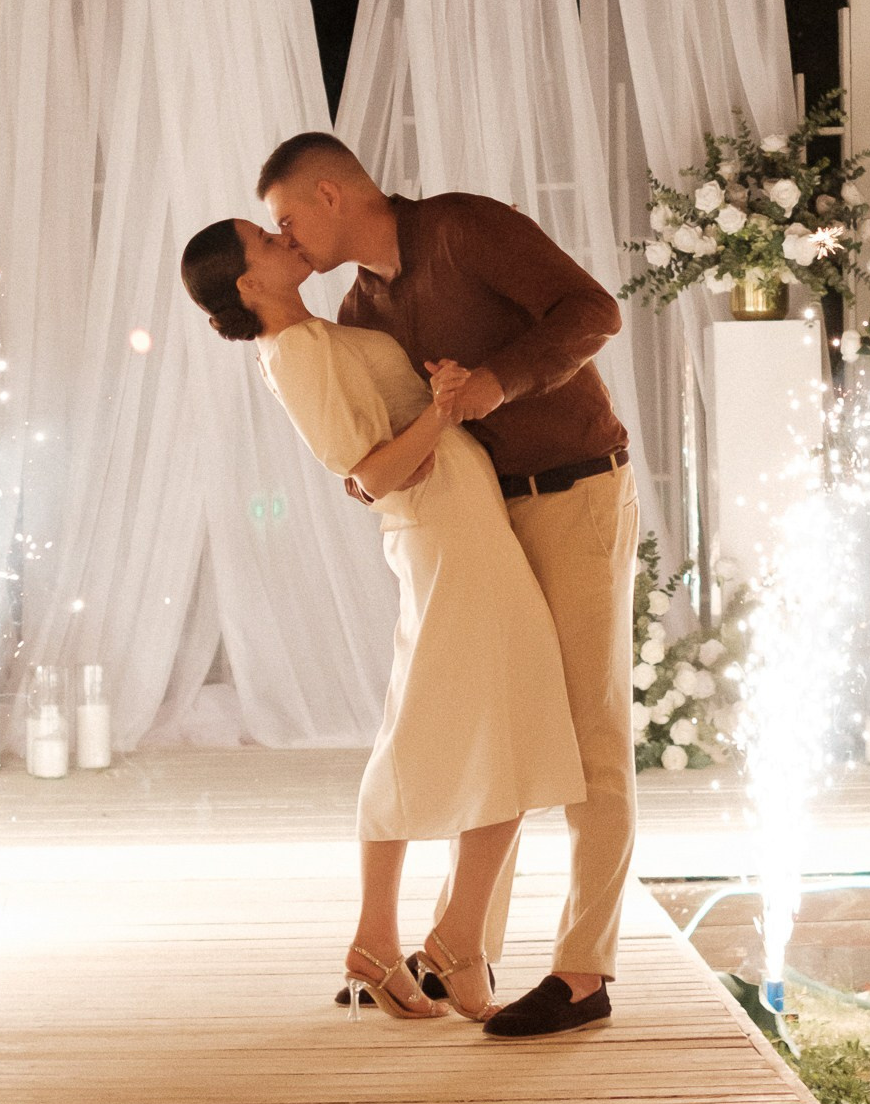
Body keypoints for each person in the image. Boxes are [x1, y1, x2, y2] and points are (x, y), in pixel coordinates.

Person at [257, 133, 638, 1039]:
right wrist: (366, 471)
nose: (286, 239)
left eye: (285, 220)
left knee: (588, 731)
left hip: (574, 487)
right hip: (482, 523)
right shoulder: (362, 306)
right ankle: (465, 946)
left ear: (328, 191)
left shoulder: (464, 228)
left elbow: (593, 312)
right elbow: (384, 424)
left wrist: (498, 385)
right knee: (507, 723)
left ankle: (582, 974)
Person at [180, 214, 584, 1022]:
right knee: (492, 721)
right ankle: (444, 940)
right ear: (248, 284)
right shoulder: (292, 353)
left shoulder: (318, 335)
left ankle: (409, 937)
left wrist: (435, 396)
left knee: (496, 722)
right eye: (265, 239)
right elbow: (370, 472)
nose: (283, 237)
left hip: (462, 522)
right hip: (445, 531)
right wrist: (441, 409)